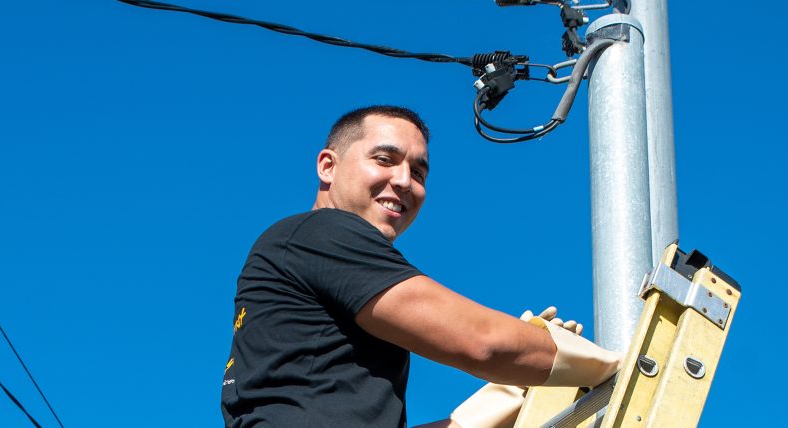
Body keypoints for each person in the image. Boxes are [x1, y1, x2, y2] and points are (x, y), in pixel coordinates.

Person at [221, 106, 621, 428]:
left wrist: (506, 394)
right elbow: (481, 340)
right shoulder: (320, 233)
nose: (404, 181)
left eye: (418, 172)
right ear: (328, 166)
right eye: (384, 159)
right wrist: (611, 366)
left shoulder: (302, 277)